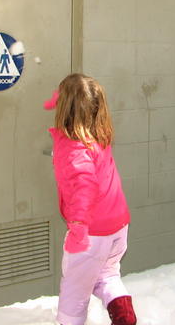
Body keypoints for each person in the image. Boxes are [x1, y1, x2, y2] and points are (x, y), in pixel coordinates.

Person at [44, 74, 137, 325]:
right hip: (118, 226)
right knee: (106, 275)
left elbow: (84, 187)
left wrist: (78, 229)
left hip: (90, 232)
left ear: (65, 107)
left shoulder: (72, 147)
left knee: (75, 289)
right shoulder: (98, 136)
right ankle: (124, 317)